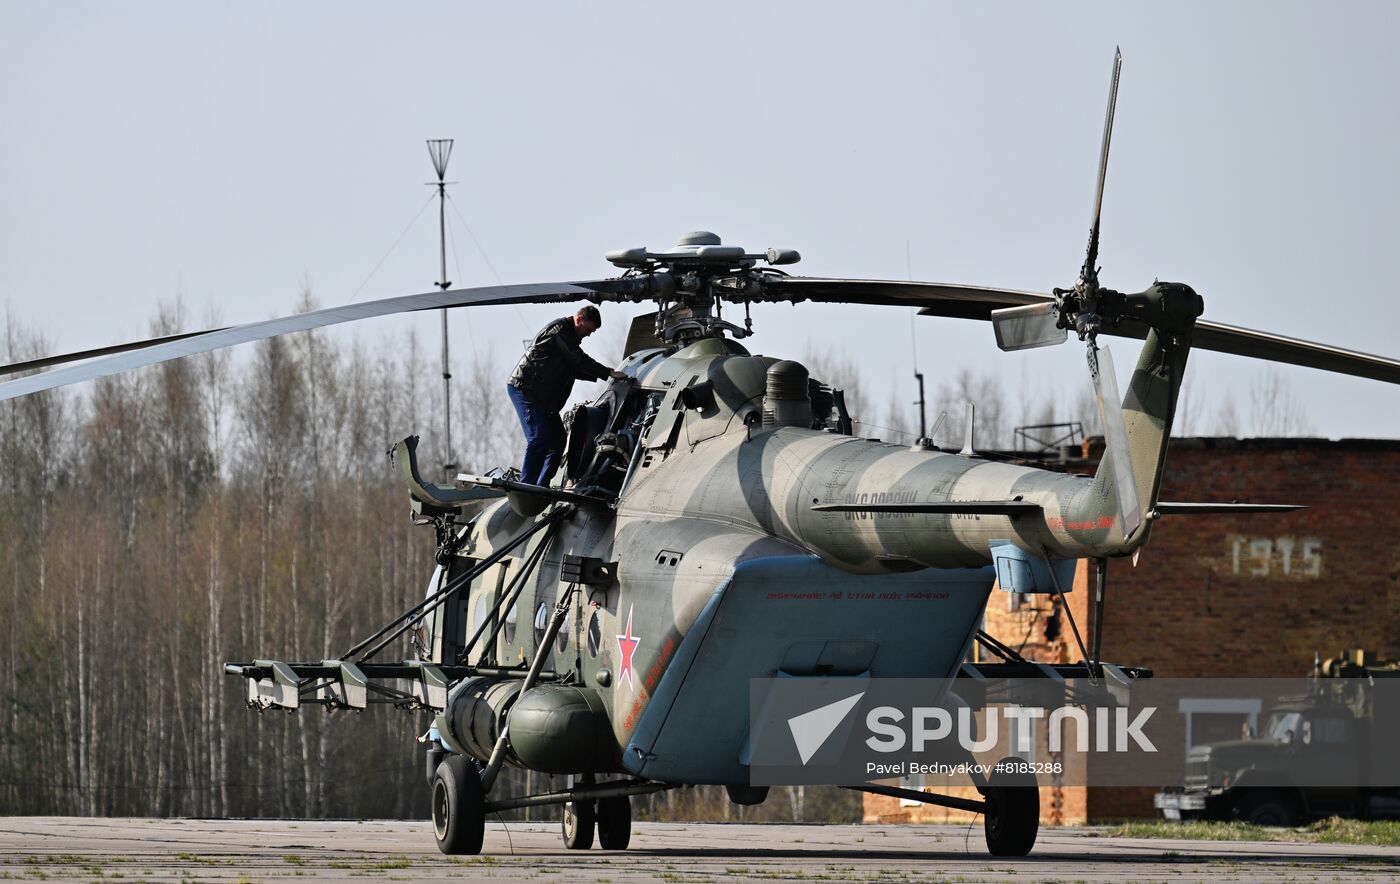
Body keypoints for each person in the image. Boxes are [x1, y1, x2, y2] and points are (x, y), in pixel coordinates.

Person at [506, 305, 622, 486]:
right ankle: (526, 485)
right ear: (578, 320)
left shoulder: (568, 341)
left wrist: (606, 375)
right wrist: (607, 372)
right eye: (588, 329)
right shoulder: (560, 332)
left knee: (558, 441)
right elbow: (578, 360)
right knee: (539, 438)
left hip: (545, 400)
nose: (588, 334)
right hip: (526, 389)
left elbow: (575, 368)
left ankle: (541, 485)